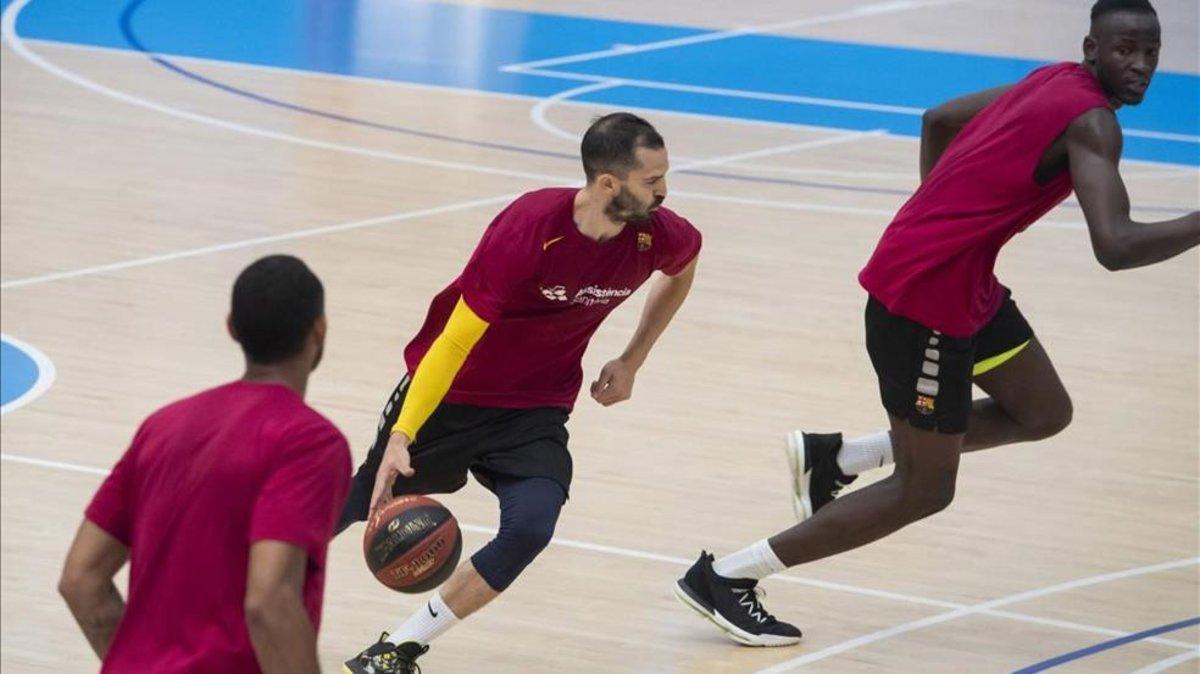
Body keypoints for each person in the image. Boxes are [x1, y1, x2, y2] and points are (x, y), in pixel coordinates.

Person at [675, 0, 1199, 647]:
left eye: (1150, 51)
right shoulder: (1093, 123)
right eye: (1125, 50)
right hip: (922, 304)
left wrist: (944, 215)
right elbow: (1115, 245)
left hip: (962, 281)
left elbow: (939, 117)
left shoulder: (1054, 78)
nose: (1141, 65)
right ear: (1093, 50)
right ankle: (728, 575)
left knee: (1043, 411)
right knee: (925, 489)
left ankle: (837, 456)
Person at [340, 112, 702, 673]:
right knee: (355, 500)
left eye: (664, 177)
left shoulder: (659, 235)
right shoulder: (530, 227)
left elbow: (684, 267)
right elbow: (455, 341)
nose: (664, 191)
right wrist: (403, 434)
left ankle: (398, 649)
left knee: (532, 525)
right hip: (454, 395)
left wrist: (633, 358)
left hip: (534, 409)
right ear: (608, 183)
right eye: (651, 181)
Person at [58, 255, 351, 672]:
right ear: (319, 331)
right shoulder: (309, 442)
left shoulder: (162, 426)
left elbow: (80, 579)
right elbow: (270, 600)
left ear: (231, 327)